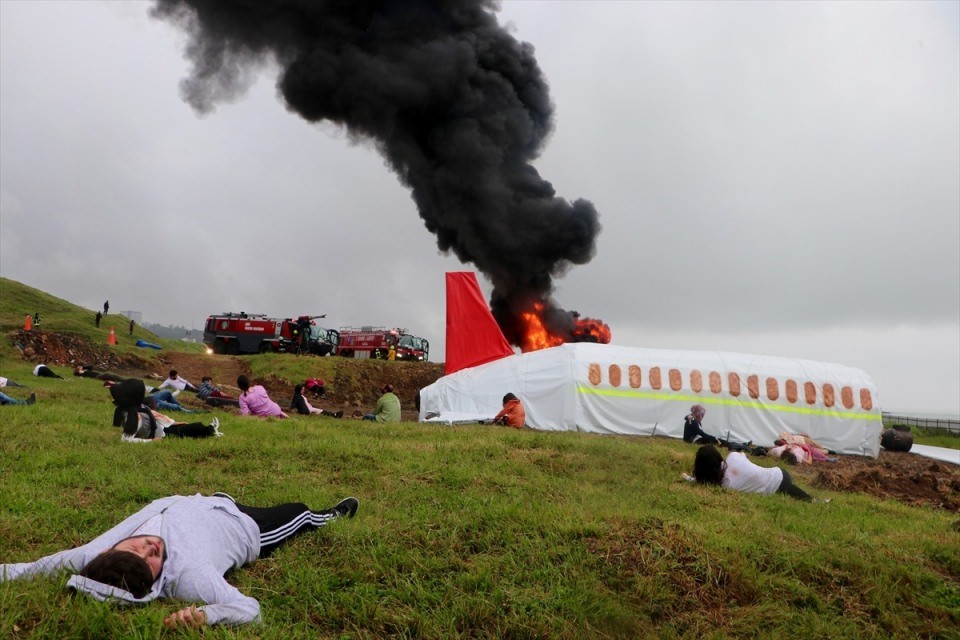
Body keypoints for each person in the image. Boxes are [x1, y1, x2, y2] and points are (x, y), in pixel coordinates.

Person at [0, 493, 359, 627]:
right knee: (297, 511)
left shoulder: (93, 554)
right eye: (149, 561)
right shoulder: (190, 576)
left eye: (134, 548)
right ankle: (331, 516)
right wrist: (207, 615)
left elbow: (28, 569)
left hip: (211, 501)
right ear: (155, 581)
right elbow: (250, 609)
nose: (148, 547)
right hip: (248, 528)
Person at [691, 444, 822, 502]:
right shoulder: (733, 456)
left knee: (793, 493)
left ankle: (815, 501)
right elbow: (743, 458)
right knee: (796, 493)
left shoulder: (726, 484)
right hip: (779, 473)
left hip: (777, 485)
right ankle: (815, 500)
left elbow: (707, 482)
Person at [120, 402, 221, 441]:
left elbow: (155, 415)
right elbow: (126, 440)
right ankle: (210, 430)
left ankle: (211, 432)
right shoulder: (132, 421)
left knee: (188, 426)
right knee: (192, 428)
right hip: (161, 433)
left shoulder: (140, 409)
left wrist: (173, 422)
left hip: (163, 426)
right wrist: (151, 441)